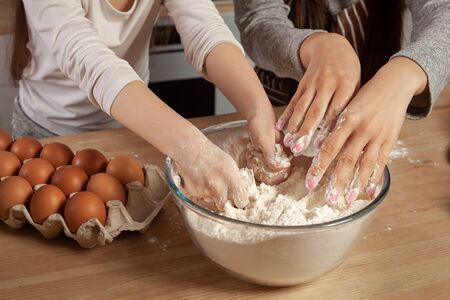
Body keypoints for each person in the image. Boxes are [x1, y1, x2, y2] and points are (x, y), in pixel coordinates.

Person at [10, 0, 281, 210]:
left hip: (133, 131)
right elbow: (85, 56)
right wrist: (191, 151)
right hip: (45, 138)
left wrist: (258, 108)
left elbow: (204, 28)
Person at [234, 0, 450, 204]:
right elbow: (258, 19)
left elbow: (443, 11)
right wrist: (313, 45)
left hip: (382, 111)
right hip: (280, 107)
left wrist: (407, 72)